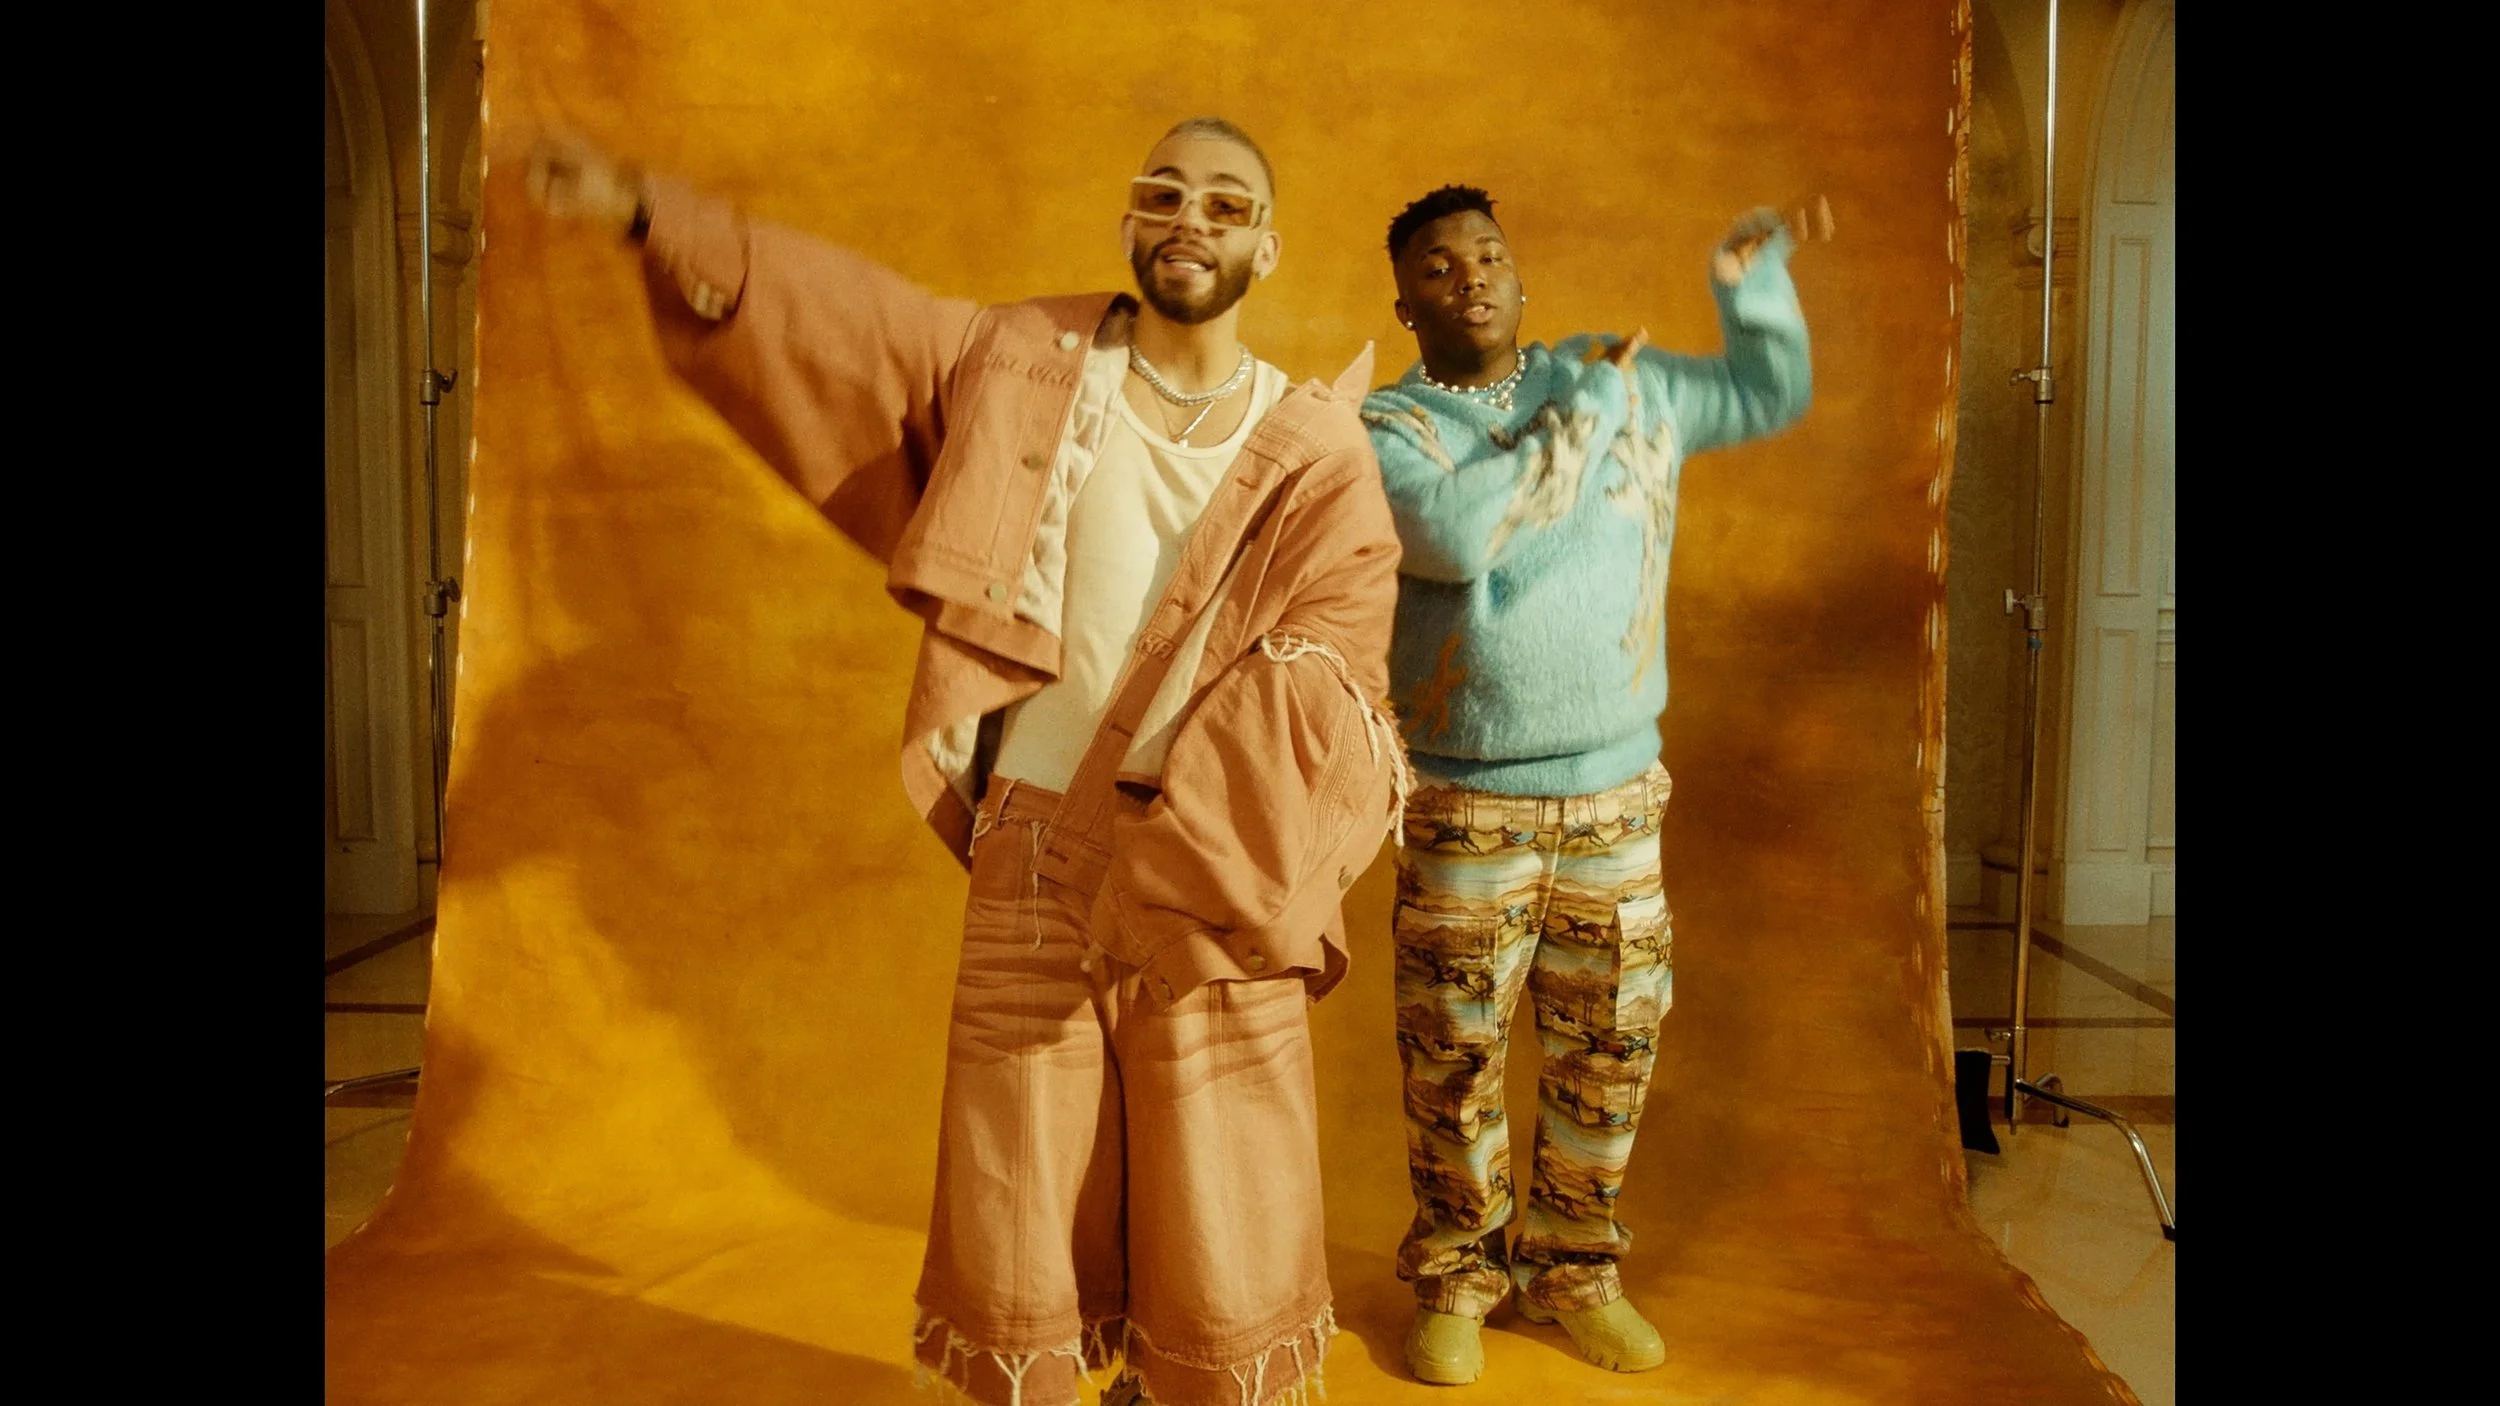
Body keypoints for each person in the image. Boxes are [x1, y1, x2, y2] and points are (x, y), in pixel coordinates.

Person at [526, 116, 1407, 1406]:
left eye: (1226, 205)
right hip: (1032, 850)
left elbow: (1342, 663)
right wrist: (658, 216)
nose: (1190, 220)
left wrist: (1213, 846)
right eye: (1163, 193)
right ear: (1128, 220)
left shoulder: (1317, 448)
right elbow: (851, 324)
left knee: (1220, 1191)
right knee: (1019, 1189)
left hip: (1214, 869)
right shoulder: (1025, 363)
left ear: (1265, 248)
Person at [1358, 182, 1817, 1386]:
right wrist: (1587, 410)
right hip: (1465, 799)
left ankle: (1573, 1273)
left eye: (1489, 254)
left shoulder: (1627, 377)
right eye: (1438, 266)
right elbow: (1459, 536)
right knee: (1452, 1055)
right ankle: (1458, 1276)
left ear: (1523, 278)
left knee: (1608, 1048)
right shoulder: (1389, 428)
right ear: (1404, 304)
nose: (1470, 276)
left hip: (1616, 791)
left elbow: (1768, 392)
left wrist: (1750, 290)